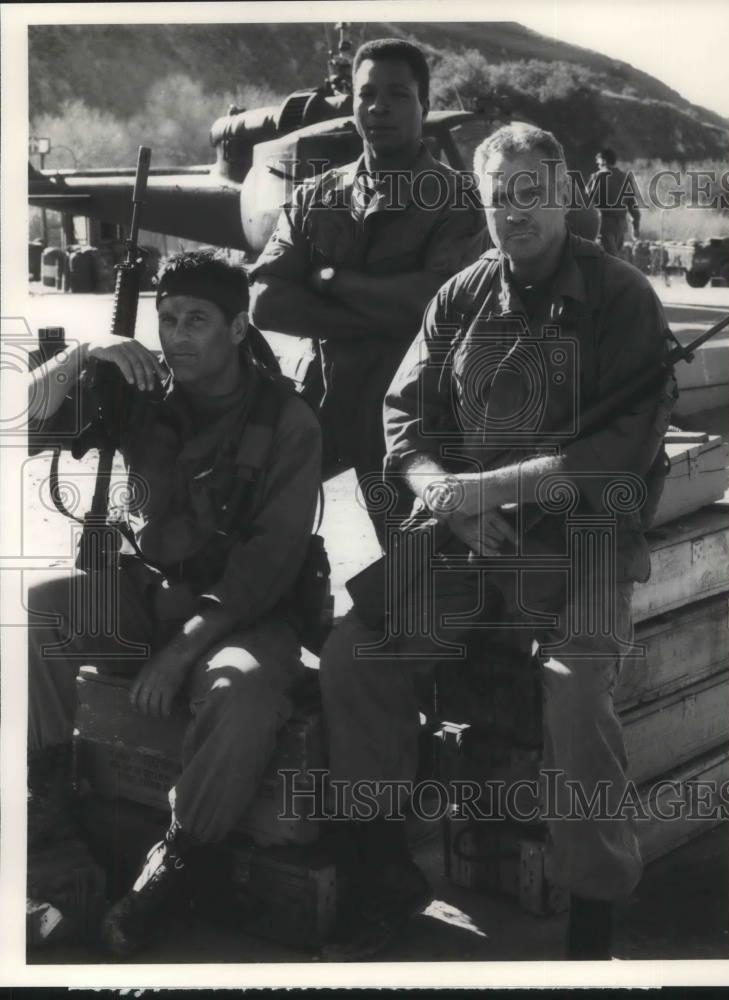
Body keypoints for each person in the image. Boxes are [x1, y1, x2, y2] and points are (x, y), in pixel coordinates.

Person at [319, 123, 677, 961]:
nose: (513, 213)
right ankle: (381, 865)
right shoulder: (460, 296)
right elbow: (403, 421)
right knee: (355, 646)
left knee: (576, 682)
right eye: (496, 199)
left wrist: (491, 489)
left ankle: (592, 909)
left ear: (560, 196)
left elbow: (619, 453)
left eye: (528, 193)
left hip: (580, 539)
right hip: (467, 533)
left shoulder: (622, 297)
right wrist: (442, 495)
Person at [26, 249, 321, 956]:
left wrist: (181, 651)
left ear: (240, 326)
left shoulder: (287, 421)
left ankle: (181, 855)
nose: (178, 335)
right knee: (33, 616)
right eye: (166, 319)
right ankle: (46, 808)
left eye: (197, 320)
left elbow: (267, 564)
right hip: (148, 588)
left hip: (245, 612)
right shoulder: (140, 389)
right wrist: (86, 352)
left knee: (242, 691)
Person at [249, 37, 486, 544]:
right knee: (251, 523)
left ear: (424, 104)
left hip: (417, 416)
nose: (379, 107)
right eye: (367, 93)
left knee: (418, 564)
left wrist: (334, 281)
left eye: (398, 94)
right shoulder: (317, 195)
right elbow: (266, 300)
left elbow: (436, 302)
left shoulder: (458, 200)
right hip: (324, 403)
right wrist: (380, 317)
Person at [586, 147, 641, 257]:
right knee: (615, 259)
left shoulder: (597, 177)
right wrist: (636, 227)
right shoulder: (625, 177)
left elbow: (587, 203)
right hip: (620, 227)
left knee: (609, 261)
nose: (597, 163)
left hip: (604, 226)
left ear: (604, 161)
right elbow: (633, 208)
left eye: (599, 160)